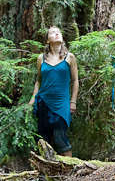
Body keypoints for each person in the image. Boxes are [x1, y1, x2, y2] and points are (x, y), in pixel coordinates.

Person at [28, 26, 79, 156]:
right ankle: (45, 172)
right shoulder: (41, 58)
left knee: (60, 138)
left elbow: (75, 81)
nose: (56, 34)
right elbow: (39, 81)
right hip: (43, 101)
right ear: (47, 40)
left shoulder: (70, 57)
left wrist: (73, 101)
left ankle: (69, 172)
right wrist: (33, 98)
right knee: (43, 138)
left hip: (62, 103)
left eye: (58, 32)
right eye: (52, 32)